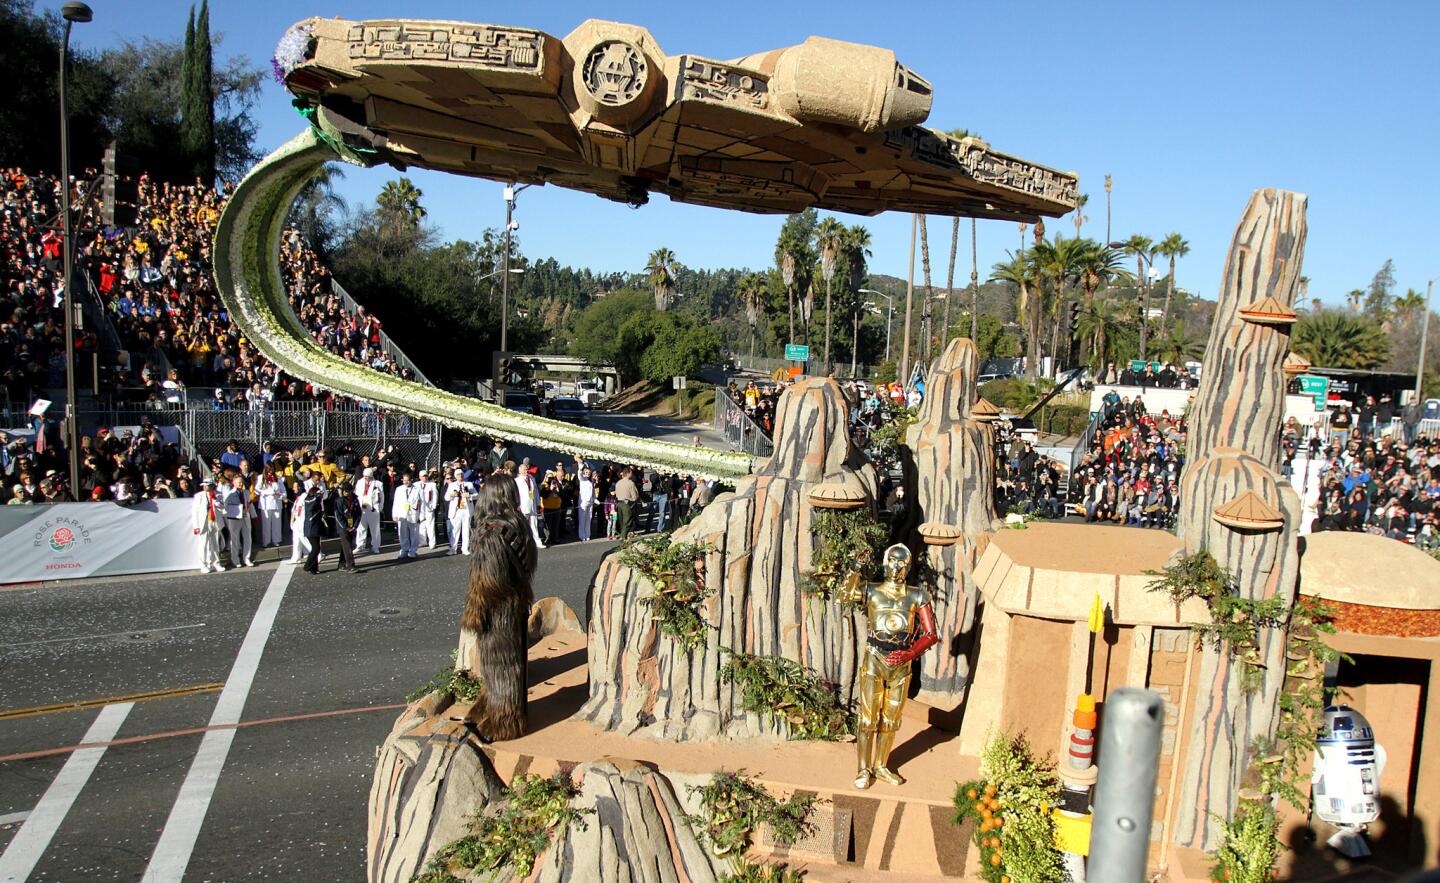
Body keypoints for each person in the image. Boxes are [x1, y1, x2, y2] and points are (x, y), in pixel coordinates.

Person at [837, 544, 938, 788]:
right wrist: (856, 568)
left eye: (901, 563)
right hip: (874, 658)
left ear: (908, 566)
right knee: (867, 718)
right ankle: (863, 769)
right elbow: (843, 595)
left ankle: (881, 766)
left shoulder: (917, 595)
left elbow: (931, 633)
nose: (896, 566)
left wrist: (910, 653)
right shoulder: (871, 591)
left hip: (902, 664)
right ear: (885, 562)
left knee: (891, 719)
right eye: (892, 560)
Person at [456, 493, 537, 740]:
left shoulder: (492, 532)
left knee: (501, 665)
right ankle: (493, 709)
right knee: (510, 663)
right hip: (515, 602)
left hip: (496, 608)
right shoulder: (518, 525)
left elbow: (487, 580)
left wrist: (475, 610)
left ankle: (504, 723)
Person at [191, 477, 223, 573]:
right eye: (204, 485)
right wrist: (196, 526)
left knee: (215, 543)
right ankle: (203, 565)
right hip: (204, 522)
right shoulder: (199, 495)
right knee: (203, 544)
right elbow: (195, 511)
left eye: (208, 485)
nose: (205, 487)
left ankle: (216, 563)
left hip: (214, 521)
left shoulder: (218, 495)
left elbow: (222, 506)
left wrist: (217, 502)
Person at [221, 475, 254, 567]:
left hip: (245, 516)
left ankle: (246, 558)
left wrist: (252, 515)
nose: (241, 484)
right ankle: (235, 559)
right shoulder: (229, 493)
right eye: (239, 482)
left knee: (248, 537)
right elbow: (225, 506)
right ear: (234, 483)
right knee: (235, 539)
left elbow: (249, 504)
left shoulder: (246, 492)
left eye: (241, 482)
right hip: (234, 518)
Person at [330, 482, 360, 573]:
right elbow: (338, 516)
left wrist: (355, 525)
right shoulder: (339, 501)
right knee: (347, 546)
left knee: (347, 545)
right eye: (344, 491)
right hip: (343, 527)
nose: (346, 493)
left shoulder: (355, 500)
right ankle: (350, 565)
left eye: (348, 491)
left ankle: (341, 564)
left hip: (352, 525)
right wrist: (345, 527)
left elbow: (358, 513)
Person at [392, 471, 422, 559]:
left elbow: (421, 503)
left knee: (414, 533)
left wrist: (421, 515)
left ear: (411, 480)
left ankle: (413, 551)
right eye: (404, 480)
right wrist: (395, 514)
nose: (406, 482)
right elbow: (396, 502)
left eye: (408, 480)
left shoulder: (416, 489)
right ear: (402, 480)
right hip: (402, 514)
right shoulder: (399, 489)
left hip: (413, 513)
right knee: (402, 533)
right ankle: (404, 550)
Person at [445, 468, 475, 555]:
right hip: (457, 510)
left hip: (466, 509)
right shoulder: (452, 485)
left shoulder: (469, 484)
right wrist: (451, 495)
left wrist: (469, 496)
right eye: (458, 475)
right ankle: (453, 548)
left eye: (461, 474)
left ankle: (465, 548)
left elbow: (476, 495)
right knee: (455, 529)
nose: (460, 476)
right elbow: (446, 498)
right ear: (455, 476)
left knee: (466, 530)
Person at [514, 462, 545, 548]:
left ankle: (537, 542)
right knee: (524, 525)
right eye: (524, 470)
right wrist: (517, 504)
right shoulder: (517, 480)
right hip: (523, 505)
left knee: (534, 524)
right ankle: (524, 543)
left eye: (527, 469)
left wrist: (538, 503)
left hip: (533, 504)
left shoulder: (532, 478)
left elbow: (536, 492)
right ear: (520, 471)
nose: (526, 471)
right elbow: (516, 494)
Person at [355, 467, 384, 554]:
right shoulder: (360, 482)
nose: (366, 478)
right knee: (361, 528)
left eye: (368, 476)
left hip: (373, 509)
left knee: (375, 528)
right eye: (365, 476)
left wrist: (380, 507)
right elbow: (356, 494)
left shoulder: (378, 484)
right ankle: (360, 545)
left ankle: (375, 546)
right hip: (362, 508)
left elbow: (382, 497)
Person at [255, 466, 285, 548]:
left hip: (277, 503)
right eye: (269, 470)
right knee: (266, 523)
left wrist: (282, 495)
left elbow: (283, 490)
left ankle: (276, 540)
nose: (270, 472)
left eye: (272, 470)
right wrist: (267, 492)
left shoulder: (277, 478)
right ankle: (266, 541)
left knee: (277, 523)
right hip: (266, 504)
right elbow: (256, 490)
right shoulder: (260, 478)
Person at [301, 480, 327, 574]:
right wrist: (318, 494)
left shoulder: (315, 500)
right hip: (311, 527)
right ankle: (307, 566)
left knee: (316, 547)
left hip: (315, 527)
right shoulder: (309, 500)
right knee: (316, 548)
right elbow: (315, 500)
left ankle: (314, 568)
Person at [288, 478, 311, 564]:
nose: (293, 489)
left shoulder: (304, 496)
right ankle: (296, 557)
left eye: (295, 487)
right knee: (296, 540)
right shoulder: (298, 497)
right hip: (296, 522)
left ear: (300, 487)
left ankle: (317, 553)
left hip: (301, 521)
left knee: (304, 539)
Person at [614, 467, 639, 538]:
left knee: (621, 522)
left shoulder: (618, 483)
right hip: (627, 504)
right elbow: (635, 496)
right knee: (627, 522)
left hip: (619, 503)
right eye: (631, 472)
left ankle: (622, 535)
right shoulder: (630, 483)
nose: (632, 474)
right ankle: (623, 539)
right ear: (627, 473)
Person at [417, 468, 439, 549]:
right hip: (420, 509)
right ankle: (422, 541)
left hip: (429, 508)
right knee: (421, 525)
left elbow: (435, 496)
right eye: (423, 476)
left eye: (426, 476)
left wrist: (433, 506)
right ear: (420, 477)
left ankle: (432, 543)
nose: (424, 478)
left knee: (430, 525)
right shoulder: (416, 485)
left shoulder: (432, 484)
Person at [576, 468, 595, 542]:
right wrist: (580, 465)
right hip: (583, 502)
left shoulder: (591, 481)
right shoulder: (582, 479)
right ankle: (582, 535)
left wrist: (595, 499)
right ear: (584, 473)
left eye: (589, 472)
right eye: (586, 472)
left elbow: (592, 492)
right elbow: (579, 473)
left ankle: (587, 534)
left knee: (589, 519)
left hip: (590, 502)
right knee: (582, 519)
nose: (588, 473)